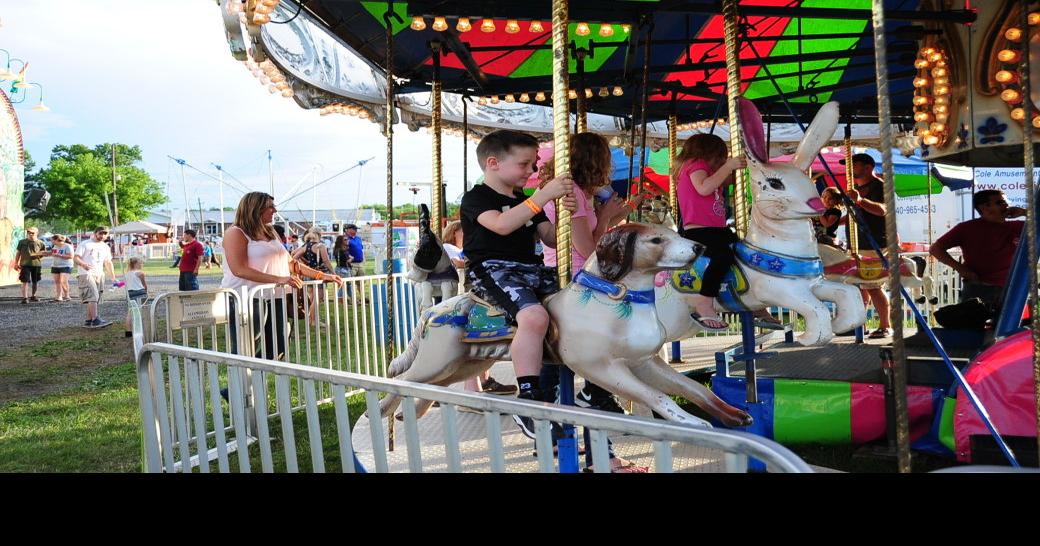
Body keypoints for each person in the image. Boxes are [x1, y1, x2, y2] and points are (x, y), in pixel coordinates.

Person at [537, 133, 648, 473]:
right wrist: (606, 218)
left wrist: (616, 213)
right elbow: (588, 250)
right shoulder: (575, 197)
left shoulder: (576, 195)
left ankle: (601, 448)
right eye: (607, 161)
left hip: (570, 279)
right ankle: (592, 408)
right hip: (574, 281)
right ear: (595, 162)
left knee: (584, 369)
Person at [460, 129, 575, 438]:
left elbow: (551, 238)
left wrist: (571, 216)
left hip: (530, 269)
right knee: (534, 316)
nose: (532, 171)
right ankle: (528, 398)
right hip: (492, 269)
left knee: (579, 307)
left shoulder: (525, 200)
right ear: (494, 163)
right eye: (525, 164)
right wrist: (541, 198)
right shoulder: (477, 198)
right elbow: (501, 225)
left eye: (534, 164)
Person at [222, 192, 342, 359]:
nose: (274, 210)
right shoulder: (236, 233)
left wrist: (322, 275)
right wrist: (280, 279)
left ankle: (250, 382)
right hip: (247, 298)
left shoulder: (270, 231)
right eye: (270, 206)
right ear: (255, 209)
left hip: (275, 296)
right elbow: (239, 269)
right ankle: (240, 383)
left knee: (278, 347)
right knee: (245, 349)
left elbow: (291, 263)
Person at [673, 133, 747, 331]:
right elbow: (704, 188)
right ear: (710, 153)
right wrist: (729, 166)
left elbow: (724, 181)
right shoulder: (695, 164)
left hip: (717, 229)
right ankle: (705, 302)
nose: (722, 161)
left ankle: (751, 301)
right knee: (723, 256)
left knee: (744, 251)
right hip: (699, 231)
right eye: (721, 157)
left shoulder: (707, 171)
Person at [438, 219, 518, 399]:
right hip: (468, 288)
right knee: (477, 335)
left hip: (478, 283)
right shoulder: (451, 247)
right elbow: (459, 262)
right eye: (461, 231)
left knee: (489, 335)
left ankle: (483, 380)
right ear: (454, 233)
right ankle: (471, 388)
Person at [930, 189, 1026, 313]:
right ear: (985, 208)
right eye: (1000, 202)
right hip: (978, 288)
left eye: (1006, 202)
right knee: (971, 329)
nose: (1007, 205)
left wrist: (1025, 212)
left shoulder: (1017, 226)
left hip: (1010, 288)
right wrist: (960, 268)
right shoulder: (966, 228)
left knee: (1011, 331)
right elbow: (936, 249)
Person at [842, 153, 891, 339]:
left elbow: (882, 210)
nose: (850, 169)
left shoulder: (879, 186)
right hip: (857, 243)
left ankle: (885, 325)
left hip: (873, 243)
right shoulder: (855, 189)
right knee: (859, 286)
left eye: (854, 165)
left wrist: (860, 201)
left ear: (868, 167)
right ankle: (860, 323)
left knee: (872, 285)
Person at [74, 226, 117, 327]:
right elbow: (76, 258)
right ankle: (96, 319)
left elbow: (108, 262)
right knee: (93, 296)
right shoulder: (85, 244)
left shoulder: (105, 247)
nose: (102, 236)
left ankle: (89, 320)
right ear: (95, 233)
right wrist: (83, 264)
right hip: (86, 274)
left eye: (105, 234)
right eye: (100, 233)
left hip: (99, 274)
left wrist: (113, 277)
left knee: (95, 298)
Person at [292, 228, 335, 327]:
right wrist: (333, 273)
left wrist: (304, 263)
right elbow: (326, 261)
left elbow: (293, 256)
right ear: (319, 235)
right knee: (318, 299)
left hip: (309, 274)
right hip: (320, 274)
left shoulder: (305, 246)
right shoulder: (320, 246)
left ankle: (313, 320)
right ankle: (313, 320)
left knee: (312, 299)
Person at [14, 226, 47, 304]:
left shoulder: (41, 243)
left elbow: (43, 253)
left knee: (35, 281)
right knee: (24, 281)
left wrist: (40, 255)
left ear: (36, 233)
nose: (30, 234)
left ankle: (33, 295)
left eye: (32, 233)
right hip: (25, 264)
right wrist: (16, 263)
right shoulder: (22, 242)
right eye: (28, 232)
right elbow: (18, 253)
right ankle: (25, 297)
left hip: (36, 265)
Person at [124, 256, 148, 338]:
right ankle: (141, 331)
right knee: (141, 312)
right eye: (140, 263)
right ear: (136, 264)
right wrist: (146, 292)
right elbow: (144, 285)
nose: (141, 264)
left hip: (130, 293)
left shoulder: (126, 274)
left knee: (130, 312)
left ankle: (128, 332)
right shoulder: (140, 273)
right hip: (139, 292)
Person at [49, 234, 74, 301]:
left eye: (52, 240)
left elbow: (71, 256)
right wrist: (44, 253)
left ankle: (67, 295)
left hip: (66, 266)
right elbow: (53, 254)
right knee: (57, 282)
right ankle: (59, 296)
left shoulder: (67, 246)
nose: (51, 241)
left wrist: (59, 255)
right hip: (55, 265)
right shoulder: (55, 246)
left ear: (57, 240)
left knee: (63, 281)